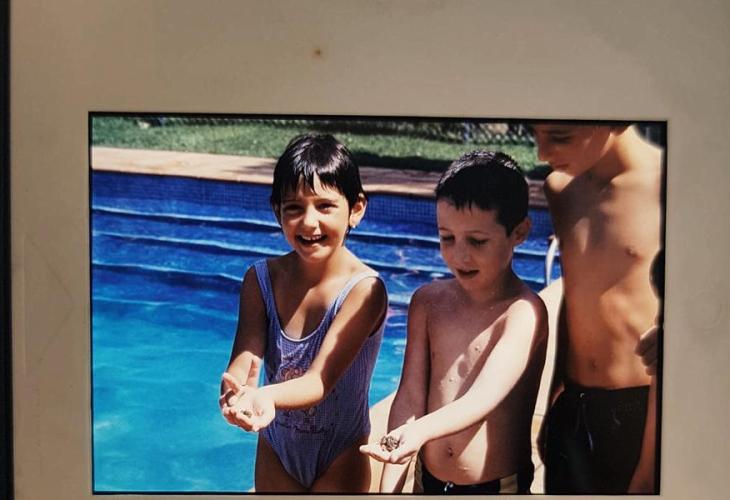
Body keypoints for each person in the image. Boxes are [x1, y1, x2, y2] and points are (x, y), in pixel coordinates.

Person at [360, 151, 548, 494]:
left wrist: (418, 432)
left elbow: (484, 397)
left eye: (477, 241)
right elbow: (410, 396)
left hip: (496, 487)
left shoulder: (523, 312)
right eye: (447, 237)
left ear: (519, 231)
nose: (460, 255)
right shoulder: (428, 302)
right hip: (427, 480)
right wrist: (391, 486)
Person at [218, 133, 388, 493]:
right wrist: (236, 393)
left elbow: (319, 382)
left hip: (340, 454)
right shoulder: (260, 281)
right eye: (294, 208)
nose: (309, 222)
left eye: (325, 206)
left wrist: (264, 396)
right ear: (276, 211)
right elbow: (245, 360)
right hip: (276, 450)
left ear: (356, 209)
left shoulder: (364, 291)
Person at [531, 123, 663, 494]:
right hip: (575, 406)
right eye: (537, 135)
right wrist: (556, 398)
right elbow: (577, 296)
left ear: (614, 121)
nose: (542, 153)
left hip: (642, 411)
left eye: (560, 137)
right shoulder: (561, 189)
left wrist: (649, 466)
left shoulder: (671, 187)